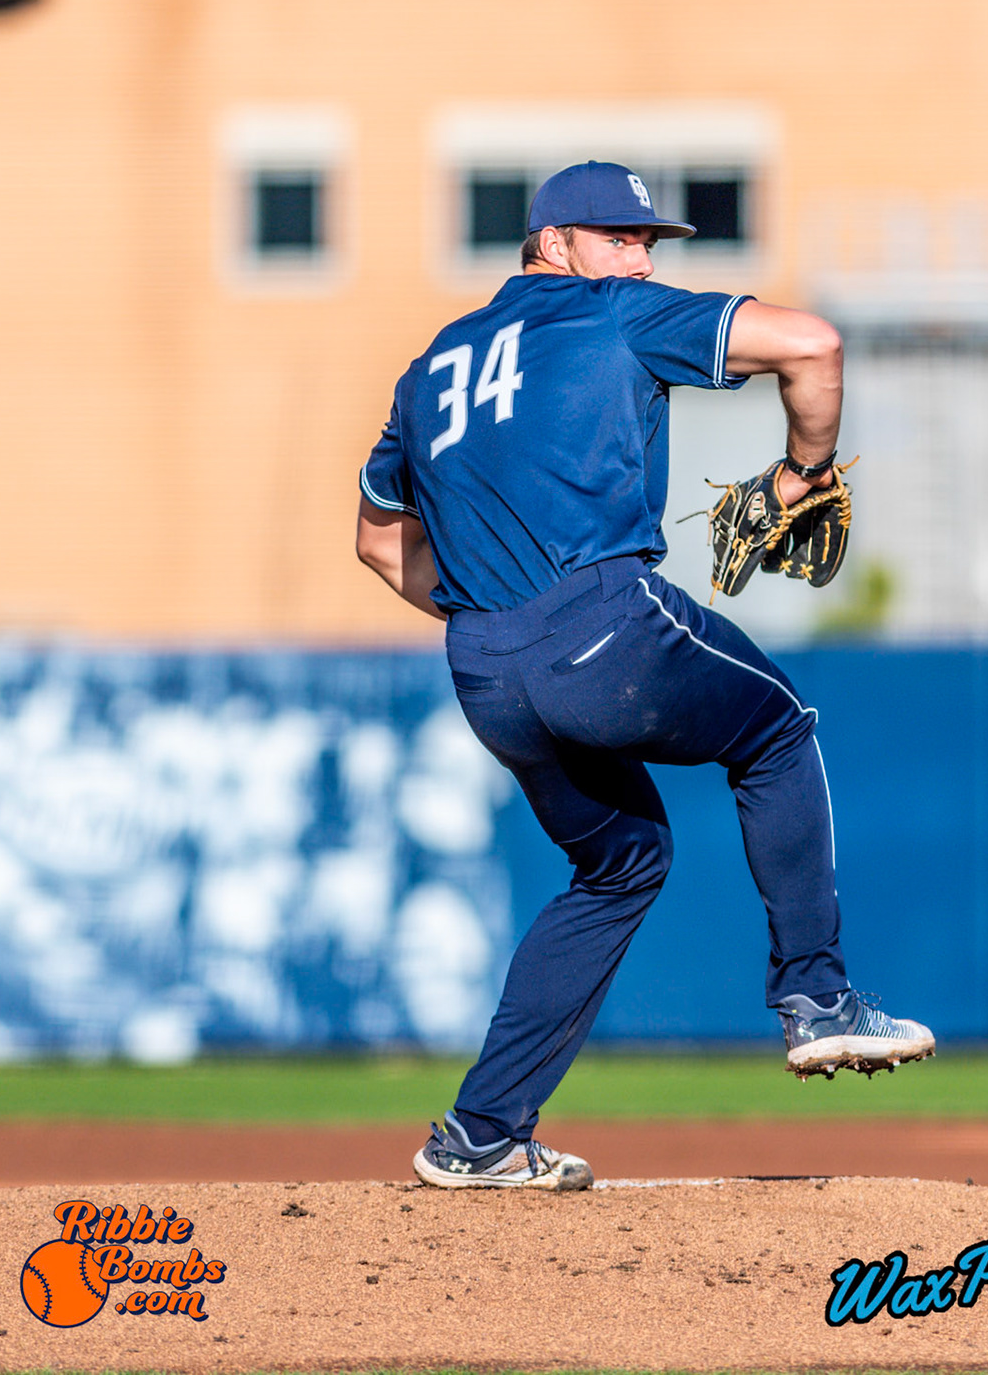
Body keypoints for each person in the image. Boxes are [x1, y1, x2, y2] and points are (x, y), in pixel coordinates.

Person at [356, 161, 933, 1192]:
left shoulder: (428, 367)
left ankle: (483, 1132)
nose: (640, 255)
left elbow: (374, 541)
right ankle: (818, 998)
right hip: (600, 624)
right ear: (552, 244)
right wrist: (804, 473)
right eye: (617, 235)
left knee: (620, 862)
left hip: (482, 665)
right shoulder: (614, 314)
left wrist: (502, 617)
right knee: (780, 727)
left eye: (648, 241)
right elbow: (813, 343)